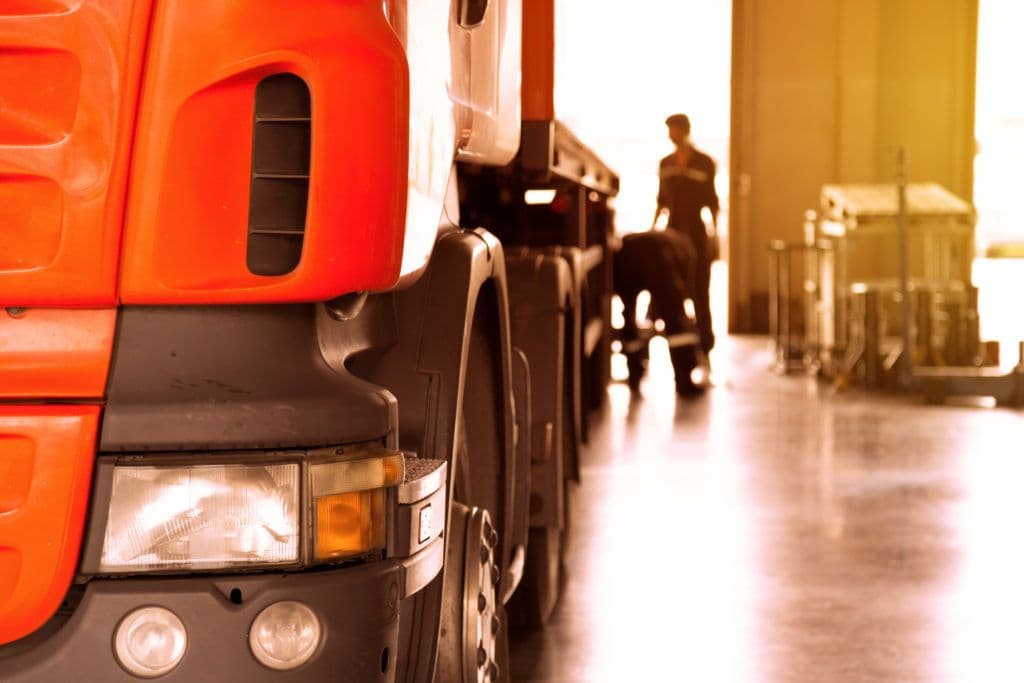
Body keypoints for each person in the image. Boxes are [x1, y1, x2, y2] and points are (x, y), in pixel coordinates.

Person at [653, 113, 719, 357]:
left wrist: (713, 237)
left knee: (700, 289)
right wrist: (654, 231)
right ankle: (678, 345)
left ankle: (705, 345)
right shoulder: (666, 164)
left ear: (684, 130)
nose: (670, 134)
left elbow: (712, 202)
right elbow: (661, 201)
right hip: (672, 232)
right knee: (672, 289)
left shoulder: (704, 162)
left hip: (696, 233)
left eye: (673, 129)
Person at [614, 229, 703, 396]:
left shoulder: (673, 242)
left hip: (628, 257)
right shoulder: (686, 252)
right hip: (660, 258)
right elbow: (682, 294)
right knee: (675, 319)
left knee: (628, 316)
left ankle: (634, 373)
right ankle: (684, 380)